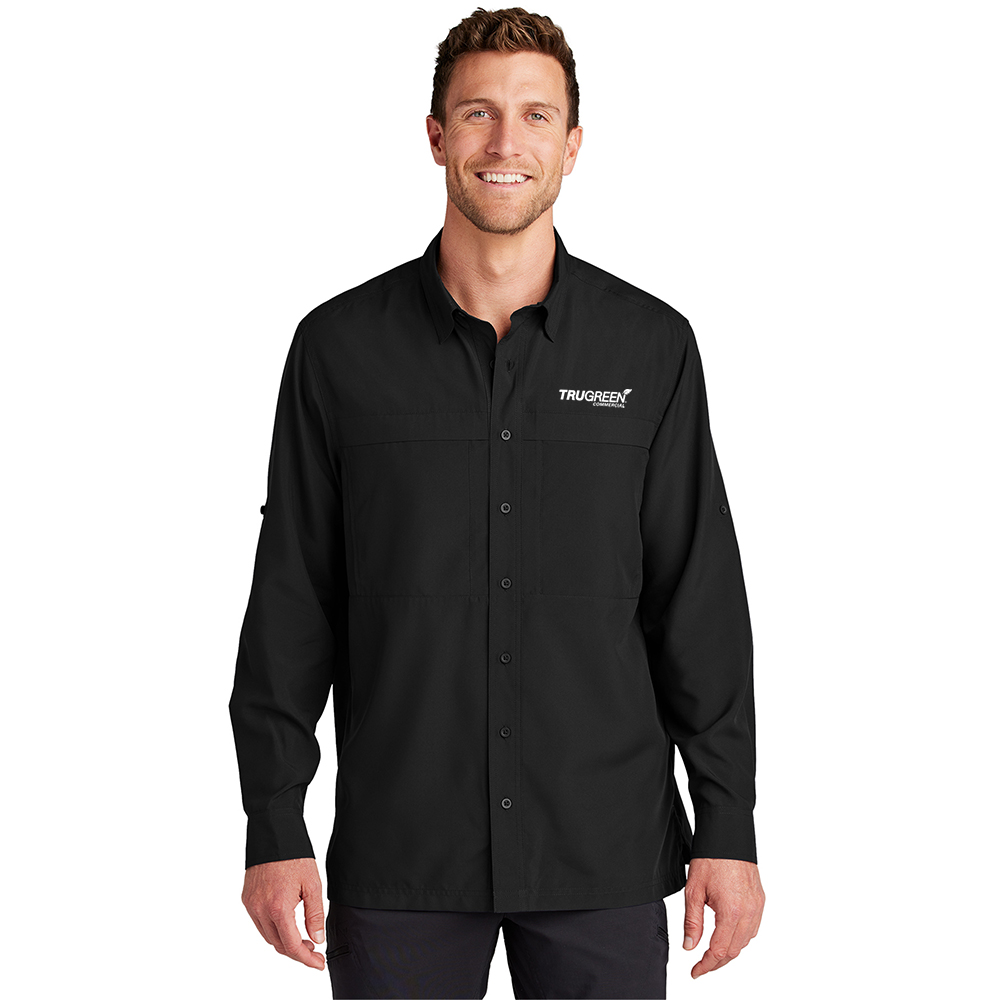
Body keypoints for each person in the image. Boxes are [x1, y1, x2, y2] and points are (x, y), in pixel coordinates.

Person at [228, 7, 765, 997]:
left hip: (601, 850)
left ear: (573, 144)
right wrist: (273, 823)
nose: (505, 142)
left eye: (534, 115)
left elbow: (697, 601)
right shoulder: (338, 350)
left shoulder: (651, 349)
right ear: (436, 136)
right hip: (405, 854)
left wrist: (726, 825)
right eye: (478, 113)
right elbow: (292, 602)